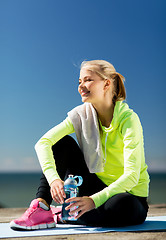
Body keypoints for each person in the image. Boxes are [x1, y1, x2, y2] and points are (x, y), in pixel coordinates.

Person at [10, 60, 150, 230]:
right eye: (79, 82)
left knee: (124, 204)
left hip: (127, 195)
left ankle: (67, 214)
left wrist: (93, 200)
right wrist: (54, 179)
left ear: (106, 84)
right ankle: (42, 208)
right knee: (62, 144)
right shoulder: (81, 115)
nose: (81, 86)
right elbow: (43, 143)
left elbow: (131, 176)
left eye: (88, 80)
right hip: (93, 185)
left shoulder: (128, 120)